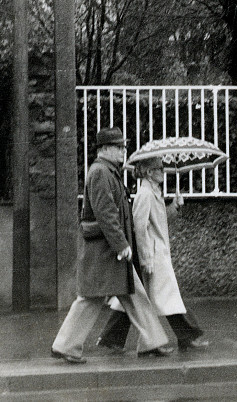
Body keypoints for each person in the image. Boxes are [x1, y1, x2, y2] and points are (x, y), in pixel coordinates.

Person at [50, 127, 173, 363]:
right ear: (105, 149)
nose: (123, 151)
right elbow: (106, 213)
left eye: (123, 147)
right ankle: (66, 346)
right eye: (119, 147)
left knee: (135, 294)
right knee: (92, 298)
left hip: (111, 250)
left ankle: (153, 341)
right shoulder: (100, 172)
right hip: (104, 251)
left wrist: (122, 244)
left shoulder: (109, 171)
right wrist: (121, 245)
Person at [96, 156, 208, 351]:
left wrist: (175, 206)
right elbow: (139, 227)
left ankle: (111, 337)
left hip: (156, 252)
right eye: (159, 169)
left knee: (137, 297)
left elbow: (160, 220)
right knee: (168, 295)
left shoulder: (154, 192)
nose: (163, 172)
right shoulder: (145, 194)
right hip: (152, 253)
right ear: (149, 173)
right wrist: (146, 258)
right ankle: (187, 335)